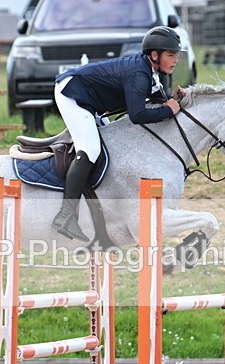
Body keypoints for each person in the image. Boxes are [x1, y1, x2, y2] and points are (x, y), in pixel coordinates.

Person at [52, 26, 188, 242]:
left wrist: (174, 100)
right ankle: (65, 215)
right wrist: (168, 110)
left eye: (176, 55)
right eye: (171, 55)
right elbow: (137, 115)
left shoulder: (150, 73)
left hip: (90, 102)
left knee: (109, 146)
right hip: (72, 93)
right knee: (90, 149)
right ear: (154, 55)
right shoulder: (139, 75)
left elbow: (158, 100)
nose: (175, 60)